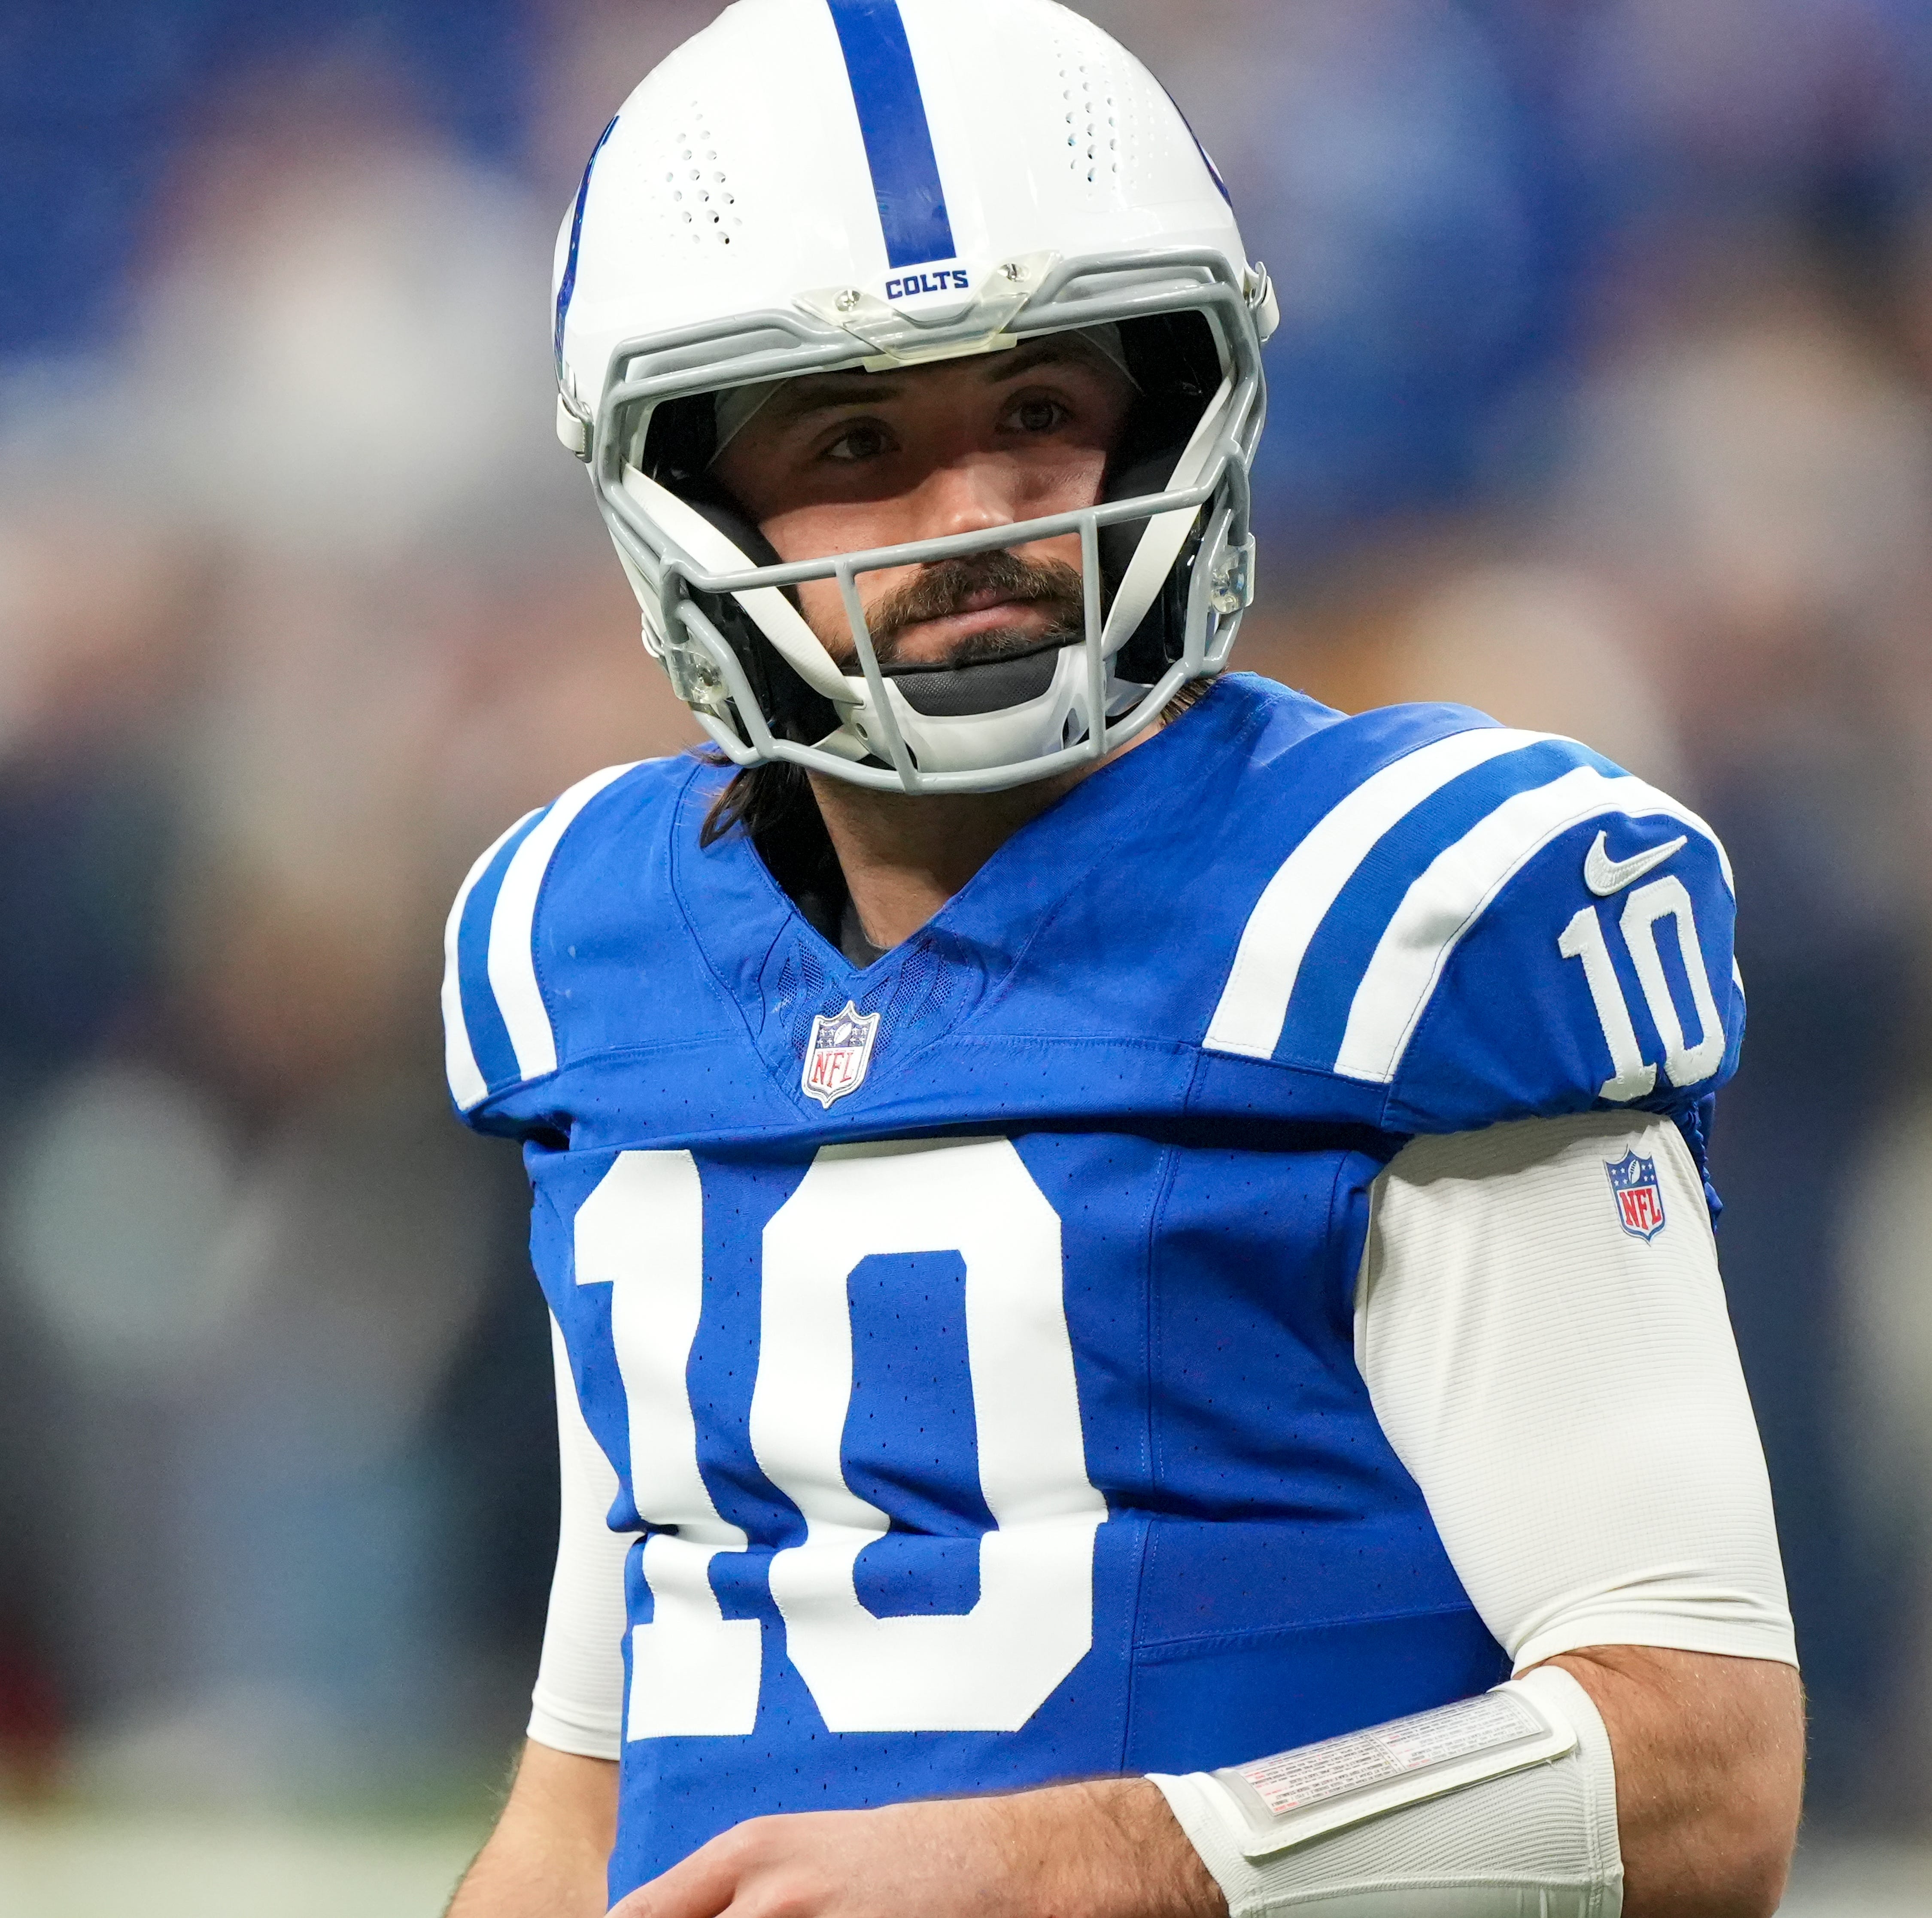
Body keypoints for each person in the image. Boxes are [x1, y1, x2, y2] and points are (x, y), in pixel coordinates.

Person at [441, 3, 1802, 1915]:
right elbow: (583, 1808)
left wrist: (1105, 1861)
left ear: (1174, 413)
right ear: (684, 492)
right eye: (857, 439)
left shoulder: (1398, 916)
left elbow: (1700, 1770)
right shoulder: (580, 949)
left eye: (1038, 414)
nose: (981, 515)